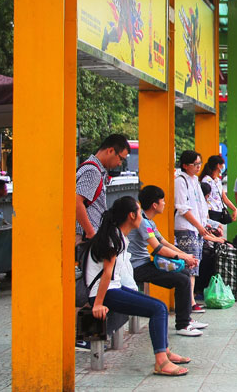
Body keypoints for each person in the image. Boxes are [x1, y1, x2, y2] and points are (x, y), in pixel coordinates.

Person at [84, 196, 191, 377]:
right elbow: (106, 274)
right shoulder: (113, 239)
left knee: (160, 307)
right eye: (139, 211)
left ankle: (164, 351)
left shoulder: (118, 235)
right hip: (104, 293)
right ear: (131, 216)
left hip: (112, 288)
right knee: (158, 309)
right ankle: (161, 361)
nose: (141, 215)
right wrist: (97, 304)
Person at [129, 185, 206, 337]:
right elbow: (158, 249)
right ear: (154, 205)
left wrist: (187, 256)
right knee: (182, 280)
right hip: (137, 267)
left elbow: (164, 242)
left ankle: (186, 319)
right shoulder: (143, 222)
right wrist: (184, 257)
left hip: (144, 263)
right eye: (162, 200)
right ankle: (182, 325)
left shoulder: (148, 221)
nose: (165, 203)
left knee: (183, 272)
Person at [174, 150, 226, 314]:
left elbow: (200, 206)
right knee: (190, 266)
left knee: (194, 266)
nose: (198, 167)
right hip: (186, 228)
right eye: (195, 164)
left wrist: (205, 225)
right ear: (185, 165)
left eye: (199, 164)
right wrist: (199, 226)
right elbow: (183, 208)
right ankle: (188, 302)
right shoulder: (180, 181)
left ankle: (191, 300)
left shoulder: (195, 180)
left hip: (196, 228)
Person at [76, 134, 131, 242]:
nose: (120, 163)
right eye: (121, 159)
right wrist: (91, 233)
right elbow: (77, 202)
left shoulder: (93, 169)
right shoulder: (93, 172)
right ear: (110, 151)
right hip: (85, 238)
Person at [200, 155, 237, 224]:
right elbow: (203, 199)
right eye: (222, 164)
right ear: (218, 165)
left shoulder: (218, 180)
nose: (223, 166)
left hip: (219, 212)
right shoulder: (206, 180)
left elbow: (224, 197)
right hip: (210, 212)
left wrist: (235, 209)